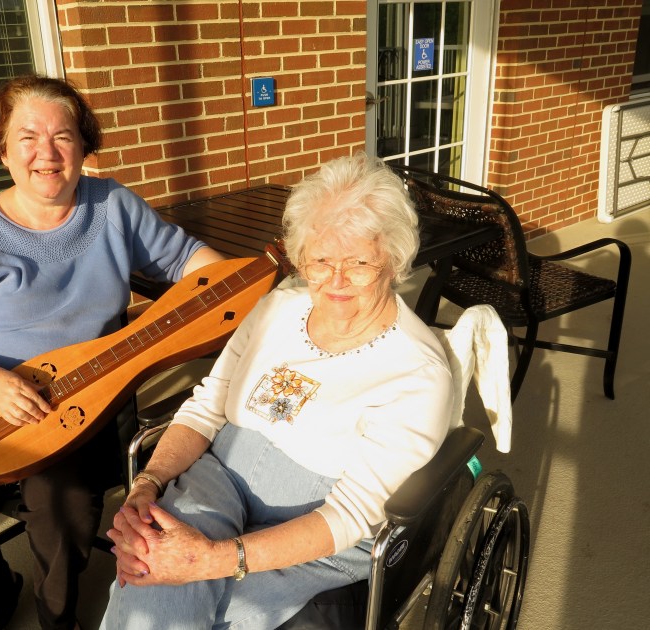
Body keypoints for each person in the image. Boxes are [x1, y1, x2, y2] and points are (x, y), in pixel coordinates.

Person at [0, 74, 223, 630]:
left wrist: (229, 290)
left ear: (83, 144)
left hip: (82, 399)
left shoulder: (113, 206)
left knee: (65, 512)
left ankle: (57, 619)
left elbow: (186, 259)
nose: (46, 153)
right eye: (27, 137)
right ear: (1, 147)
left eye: (64, 136)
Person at [100, 153, 454, 629]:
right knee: (150, 583)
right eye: (321, 261)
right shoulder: (277, 309)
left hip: (321, 525)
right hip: (222, 476)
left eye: (359, 263)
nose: (335, 281)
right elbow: (206, 407)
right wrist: (149, 484)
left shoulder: (417, 372)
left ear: (392, 260)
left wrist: (211, 560)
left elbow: (348, 516)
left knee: (223, 615)